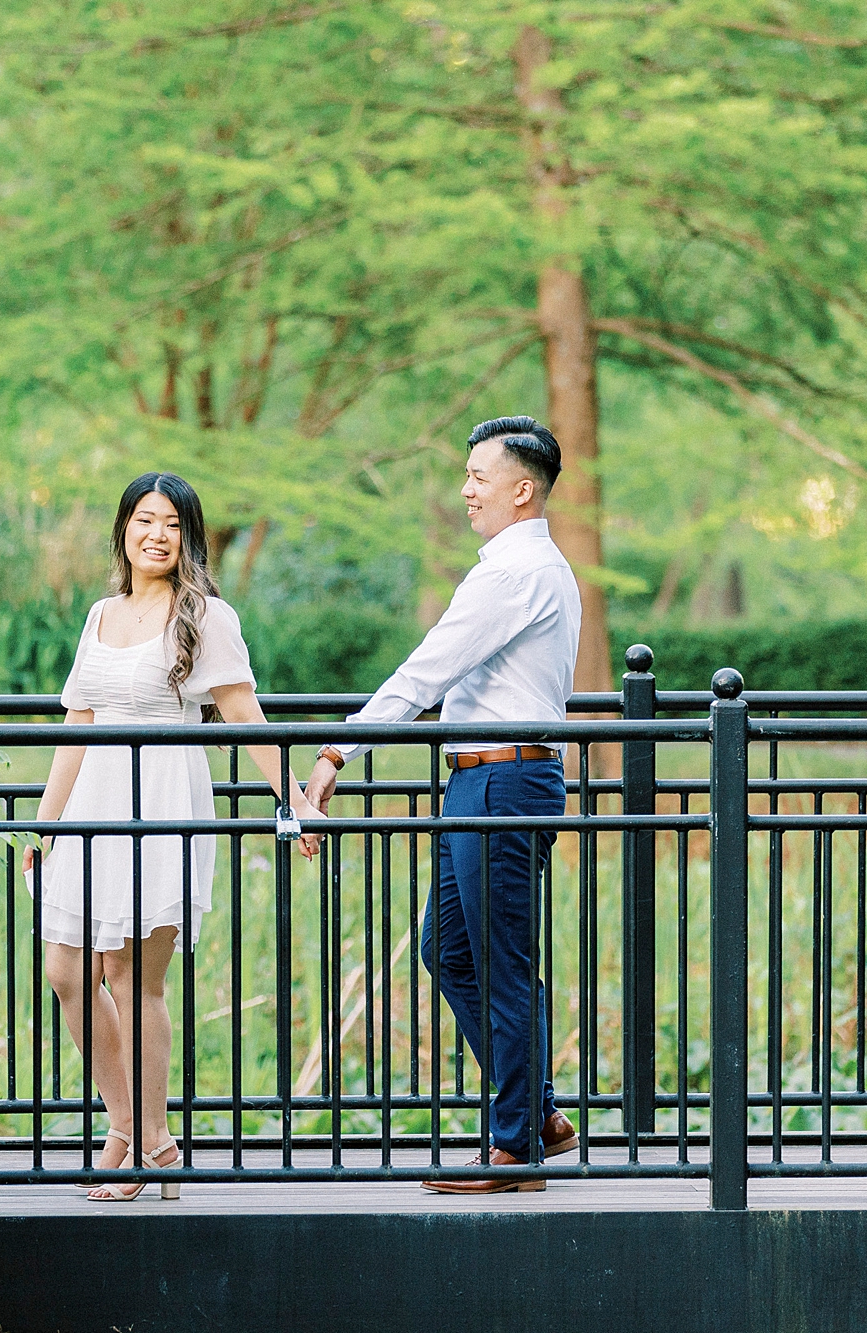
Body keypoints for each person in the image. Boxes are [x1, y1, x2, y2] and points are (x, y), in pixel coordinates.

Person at [25, 471, 321, 1202]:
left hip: (161, 796)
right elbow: (78, 725)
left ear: (189, 537)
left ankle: (137, 1138)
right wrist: (45, 824)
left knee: (132, 977)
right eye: (143, 520)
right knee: (67, 971)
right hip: (96, 799)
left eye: (172, 524)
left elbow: (245, 714)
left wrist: (298, 798)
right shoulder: (100, 613)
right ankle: (134, 1127)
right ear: (123, 528)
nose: (155, 534)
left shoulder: (204, 617)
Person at [304, 416, 581, 1194]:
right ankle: (539, 1117)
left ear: (521, 490)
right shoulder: (528, 566)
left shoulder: (514, 572)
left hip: (502, 781)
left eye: (479, 477)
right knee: (449, 949)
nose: (466, 490)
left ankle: (515, 1146)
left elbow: (427, 670)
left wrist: (336, 753)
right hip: (481, 778)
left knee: (497, 962)